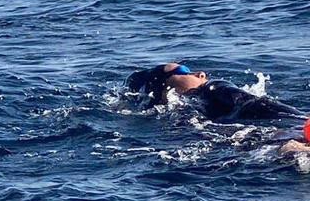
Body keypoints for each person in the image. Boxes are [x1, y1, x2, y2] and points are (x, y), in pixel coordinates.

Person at [127, 62, 310, 153]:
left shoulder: (178, 121)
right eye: (183, 70)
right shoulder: (212, 87)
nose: (200, 74)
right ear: (164, 90)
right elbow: (255, 104)